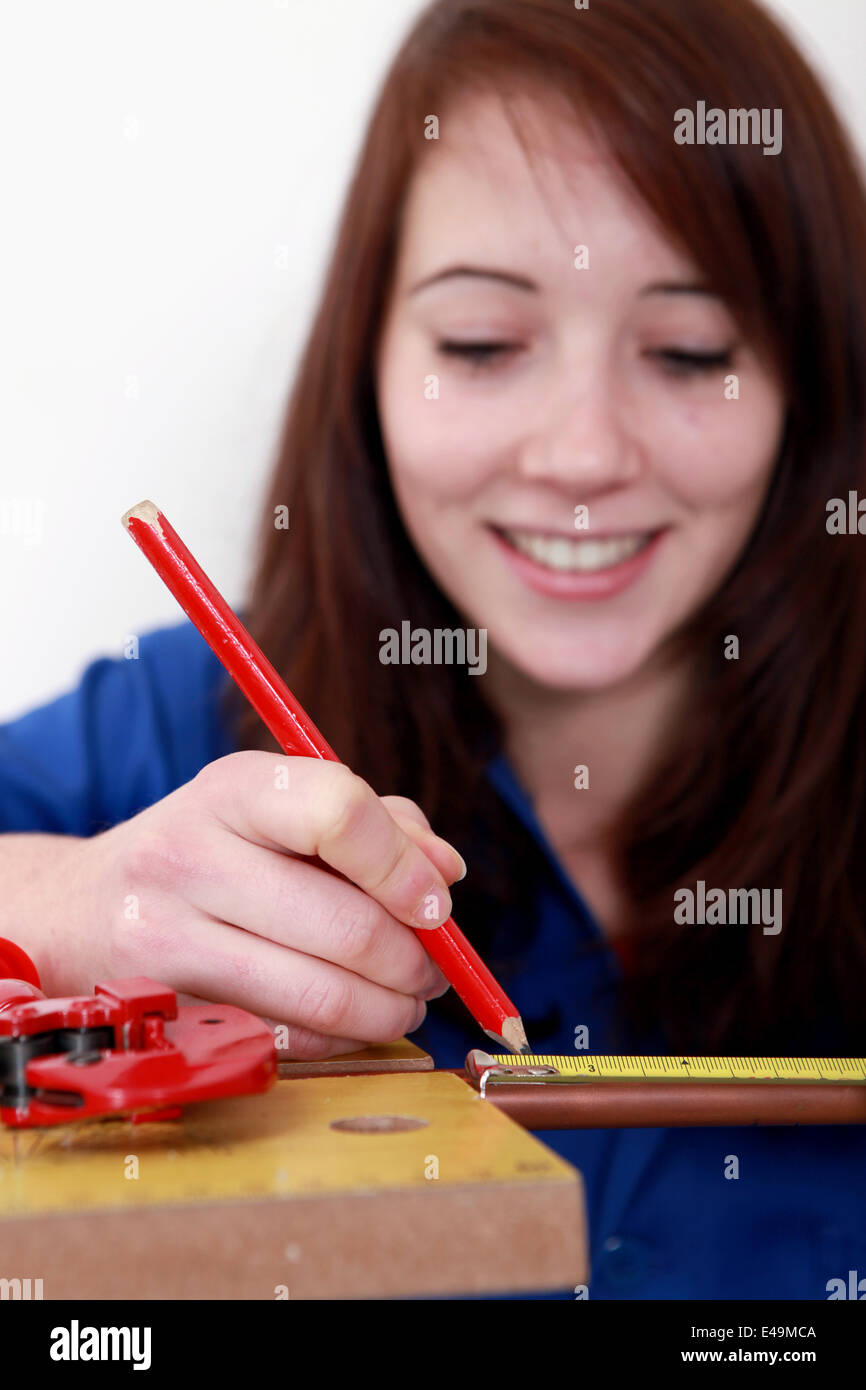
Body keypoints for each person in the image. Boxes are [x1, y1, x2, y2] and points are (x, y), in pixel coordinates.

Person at [2, 0, 865, 1299]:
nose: (581, 452)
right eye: (481, 342)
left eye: (689, 353)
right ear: (369, 362)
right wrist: (64, 910)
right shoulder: (179, 730)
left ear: (808, 385)